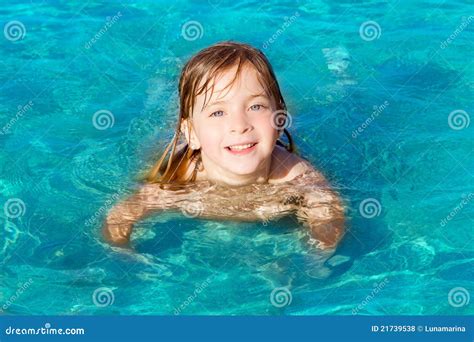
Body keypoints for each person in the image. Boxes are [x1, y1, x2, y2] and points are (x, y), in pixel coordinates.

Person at [103, 41, 345, 250]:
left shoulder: (294, 175)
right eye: (218, 112)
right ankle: (161, 84)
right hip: (178, 141)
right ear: (193, 135)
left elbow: (328, 210)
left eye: (255, 106)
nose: (239, 125)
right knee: (161, 133)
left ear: (279, 121)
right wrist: (124, 251)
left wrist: (320, 249)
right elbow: (121, 215)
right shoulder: (178, 183)